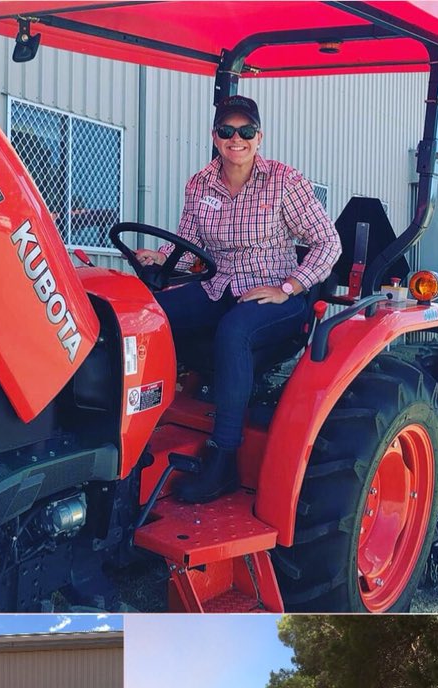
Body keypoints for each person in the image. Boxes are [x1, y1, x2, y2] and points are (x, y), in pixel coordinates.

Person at [135, 95, 341, 503]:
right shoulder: (200, 182)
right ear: (215, 137)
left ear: (259, 137)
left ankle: (223, 458)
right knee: (147, 315)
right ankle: (138, 425)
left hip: (276, 296)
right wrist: (160, 257)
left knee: (234, 331)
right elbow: (190, 245)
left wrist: (290, 286)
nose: (236, 139)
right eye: (227, 131)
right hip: (219, 286)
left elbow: (327, 243)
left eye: (246, 131)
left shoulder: (284, 181)